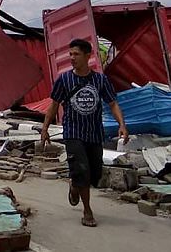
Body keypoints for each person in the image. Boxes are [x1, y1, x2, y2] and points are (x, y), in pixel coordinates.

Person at [41, 38, 128, 228]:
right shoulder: (64, 80)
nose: (72, 58)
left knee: (94, 174)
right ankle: (87, 210)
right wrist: (45, 129)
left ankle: (75, 184)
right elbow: (54, 105)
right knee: (82, 170)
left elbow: (112, 103)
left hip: (94, 133)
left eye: (76, 54)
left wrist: (122, 124)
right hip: (73, 132)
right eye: (70, 54)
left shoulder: (100, 80)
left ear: (88, 56)